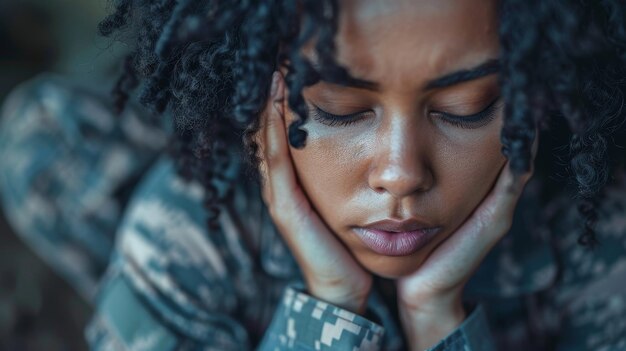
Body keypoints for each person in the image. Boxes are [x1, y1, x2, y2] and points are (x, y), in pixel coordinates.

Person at [0, 0, 625, 350]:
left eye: (464, 109)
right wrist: (327, 310)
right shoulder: (179, 241)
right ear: (260, 104)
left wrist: (438, 321)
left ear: (533, 95)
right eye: (339, 109)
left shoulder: (601, 243)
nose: (400, 173)